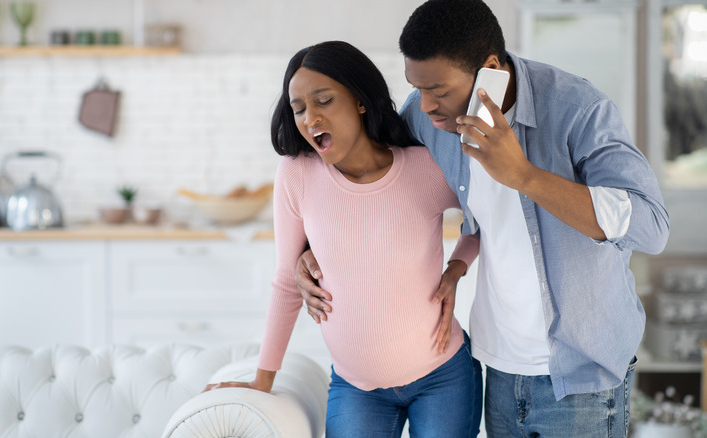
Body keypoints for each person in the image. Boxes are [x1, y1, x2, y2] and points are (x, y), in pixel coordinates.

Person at [295, 1, 671, 436]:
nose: (428, 106)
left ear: (490, 68)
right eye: (418, 88)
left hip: (581, 372)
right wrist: (308, 252)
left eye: (440, 90)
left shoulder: (578, 109)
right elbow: (373, 183)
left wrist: (525, 176)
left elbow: (651, 226)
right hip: (499, 364)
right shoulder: (423, 116)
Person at [204, 40, 483, 437]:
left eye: (324, 101)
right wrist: (262, 379)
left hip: (443, 376)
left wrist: (456, 268)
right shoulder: (297, 174)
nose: (310, 117)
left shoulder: (425, 169)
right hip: (357, 388)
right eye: (298, 109)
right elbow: (287, 280)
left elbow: (483, 222)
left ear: (360, 101)